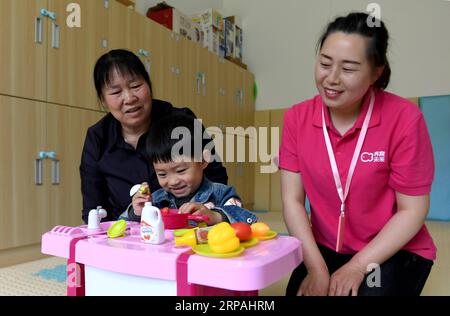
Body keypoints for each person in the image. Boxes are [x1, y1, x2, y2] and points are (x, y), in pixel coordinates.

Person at [279, 12, 436, 296]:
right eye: (325, 63)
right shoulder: (296, 118)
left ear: (376, 73)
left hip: (393, 248)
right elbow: (292, 200)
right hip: (325, 247)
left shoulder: (404, 119)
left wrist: (358, 266)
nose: (332, 79)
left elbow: (412, 211)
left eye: (349, 69)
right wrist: (315, 267)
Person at [80, 49, 227, 224]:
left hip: (188, 228)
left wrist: (207, 214)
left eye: (135, 86)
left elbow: (217, 179)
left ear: (148, 85)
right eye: (115, 92)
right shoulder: (97, 137)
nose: (129, 98)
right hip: (127, 234)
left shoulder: (182, 121)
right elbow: (94, 209)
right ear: (103, 100)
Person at [119, 113, 258, 225]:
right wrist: (137, 212)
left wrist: (215, 216)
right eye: (162, 174)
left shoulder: (222, 194)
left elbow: (248, 221)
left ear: (203, 160)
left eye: (180, 171)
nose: (173, 181)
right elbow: (123, 225)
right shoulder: (157, 200)